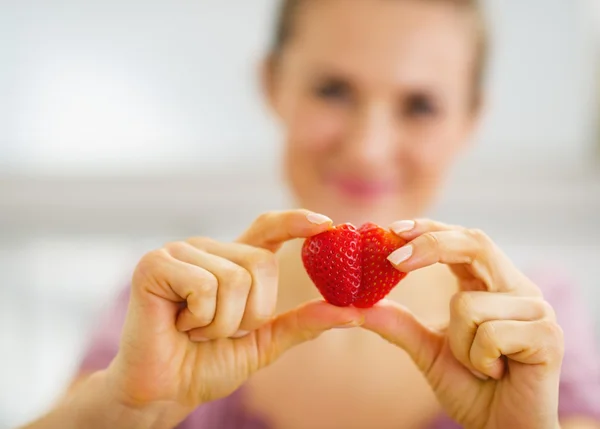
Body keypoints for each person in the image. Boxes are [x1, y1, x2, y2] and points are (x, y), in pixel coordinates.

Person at [23, 0, 600, 428]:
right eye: (332, 90)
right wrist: (124, 408)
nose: (368, 147)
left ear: (470, 121)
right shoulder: (166, 308)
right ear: (273, 84)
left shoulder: (533, 326)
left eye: (420, 105)